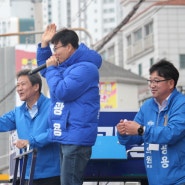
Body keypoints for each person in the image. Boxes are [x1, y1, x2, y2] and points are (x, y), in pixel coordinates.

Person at [36, 23, 102, 185]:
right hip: (67, 134)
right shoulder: (69, 67)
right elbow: (45, 71)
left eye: (56, 48)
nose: (55, 53)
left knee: (69, 182)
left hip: (76, 136)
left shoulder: (85, 68)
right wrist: (44, 45)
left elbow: (61, 91)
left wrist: (51, 69)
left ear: (70, 47)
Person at [117, 59, 185, 185]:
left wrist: (141, 129)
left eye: (157, 81)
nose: (152, 85)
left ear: (171, 83)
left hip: (179, 179)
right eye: (150, 81)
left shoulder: (181, 104)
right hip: (155, 180)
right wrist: (124, 132)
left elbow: (172, 133)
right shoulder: (147, 106)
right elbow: (136, 136)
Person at [0, 69, 60, 185]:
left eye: (23, 84)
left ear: (36, 86)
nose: (19, 89)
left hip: (52, 175)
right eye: (17, 85)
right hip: (28, 175)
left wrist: (30, 141)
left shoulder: (53, 107)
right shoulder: (18, 112)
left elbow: (55, 132)